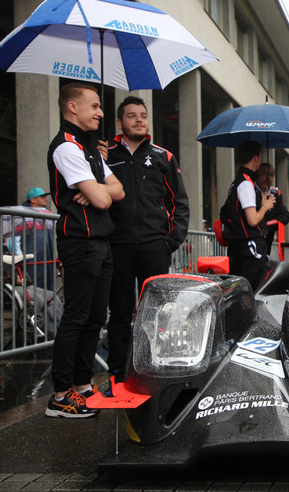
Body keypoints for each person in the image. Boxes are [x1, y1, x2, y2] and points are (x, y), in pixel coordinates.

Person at [46, 82, 124, 418]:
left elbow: (117, 191)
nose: (100, 112)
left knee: (94, 318)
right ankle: (60, 395)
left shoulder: (90, 149)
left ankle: (81, 386)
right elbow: (103, 198)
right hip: (79, 242)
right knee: (76, 317)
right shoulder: (67, 147)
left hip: (100, 242)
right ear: (72, 108)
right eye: (93, 106)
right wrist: (97, 191)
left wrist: (98, 188)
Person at [104, 96, 190, 379]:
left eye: (143, 115)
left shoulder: (163, 157)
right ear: (120, 123)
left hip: (155, 246)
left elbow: (179, 202)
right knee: (119, 312)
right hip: (118, 246)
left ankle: (152, 364)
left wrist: (170, 241)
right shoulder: (106, 156)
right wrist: (96, 159)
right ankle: (117, 369)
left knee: (156, 312)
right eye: (131, 116)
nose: (139, 120)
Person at [221, 141, 276, 289]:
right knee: (250, 292)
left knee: (241, 291)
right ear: (255, 158)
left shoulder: (238, 182)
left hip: (240, 247)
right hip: (251, 248)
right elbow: (252, 220)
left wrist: (261, 202)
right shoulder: (246, 184)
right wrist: (264, 207)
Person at [10, 187, 56, 291]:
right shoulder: (21, 214)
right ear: (33, 200)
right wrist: (19, 257)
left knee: (48, 287)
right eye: (42, 196)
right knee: (35, 289)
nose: (46, 199)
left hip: (47, 258)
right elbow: (14, 239)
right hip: (30, 259)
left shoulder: (47, 214)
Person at [257, 162, 289, 252]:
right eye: (263, 174)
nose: (267, 178)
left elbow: (285, 217)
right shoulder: (251, 191)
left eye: (270, 175)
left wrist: (267, 225)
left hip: (268, 241)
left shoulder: (275, 193)